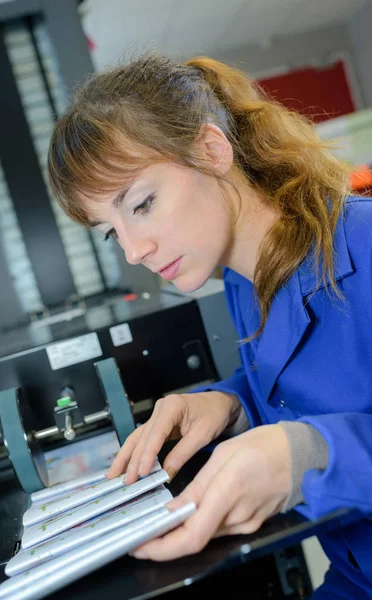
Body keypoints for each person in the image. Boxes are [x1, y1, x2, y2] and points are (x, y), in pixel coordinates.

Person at [48, 53, 372, 598]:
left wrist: (312, 454)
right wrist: (231, 404)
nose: (133, 250)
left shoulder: (364, 242)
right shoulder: (242, 283)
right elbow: (317, 383)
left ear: (212, 150)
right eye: (110, 231)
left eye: (142, 204)